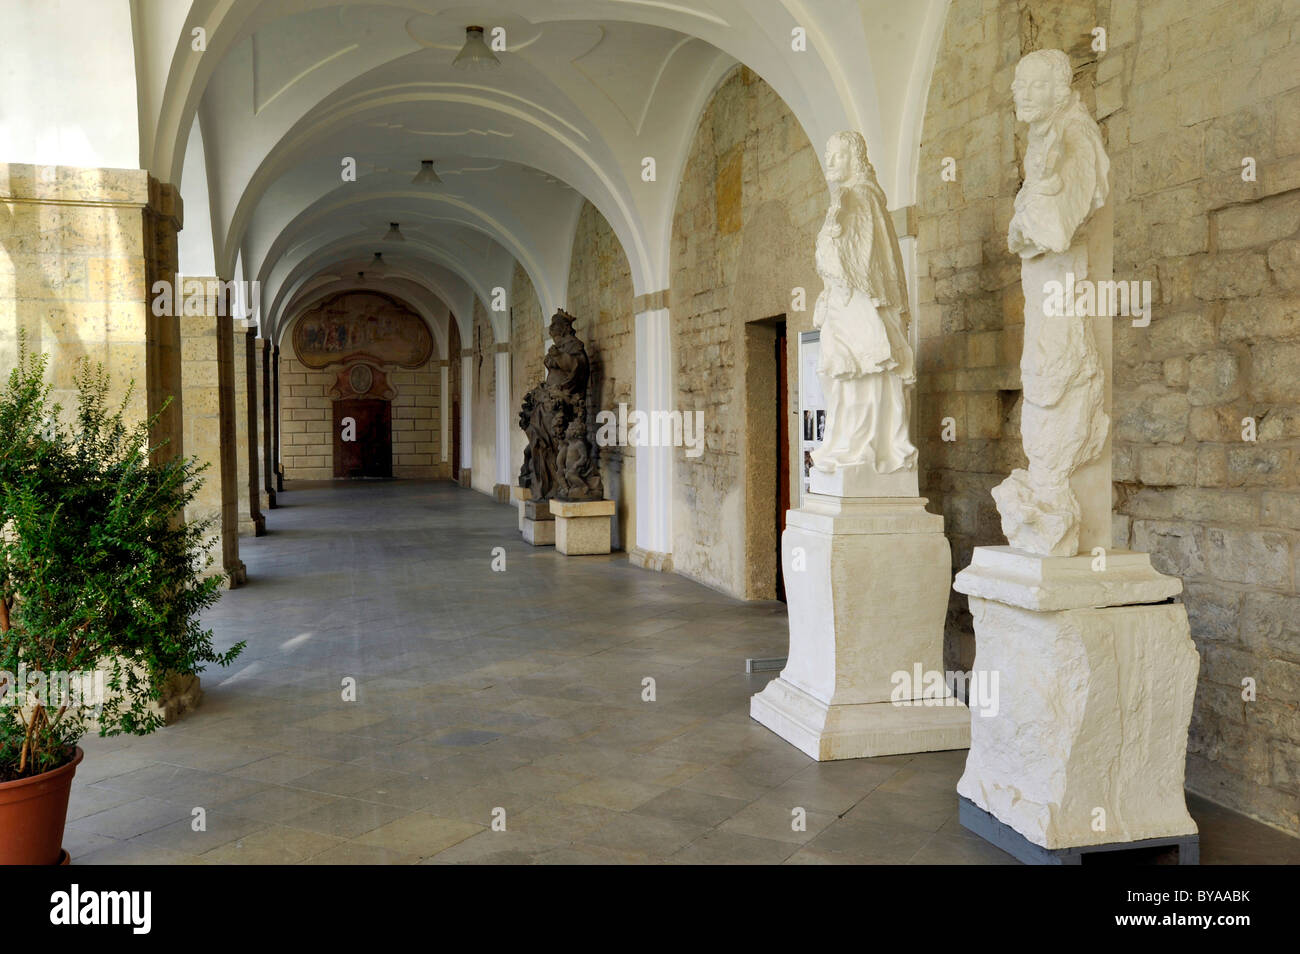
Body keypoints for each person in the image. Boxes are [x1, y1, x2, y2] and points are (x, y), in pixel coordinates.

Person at [810, 131, 917, 476]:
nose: (830, 162)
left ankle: (865, 447)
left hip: (859, 301)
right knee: (840, 377)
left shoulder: (860, 198)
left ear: (853, 159)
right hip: (842, 303)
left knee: (865, 372)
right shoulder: (850, 200)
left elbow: (863, 256)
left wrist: (834, 239)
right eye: (828, 156)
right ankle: (846, 445)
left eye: (837, 156)